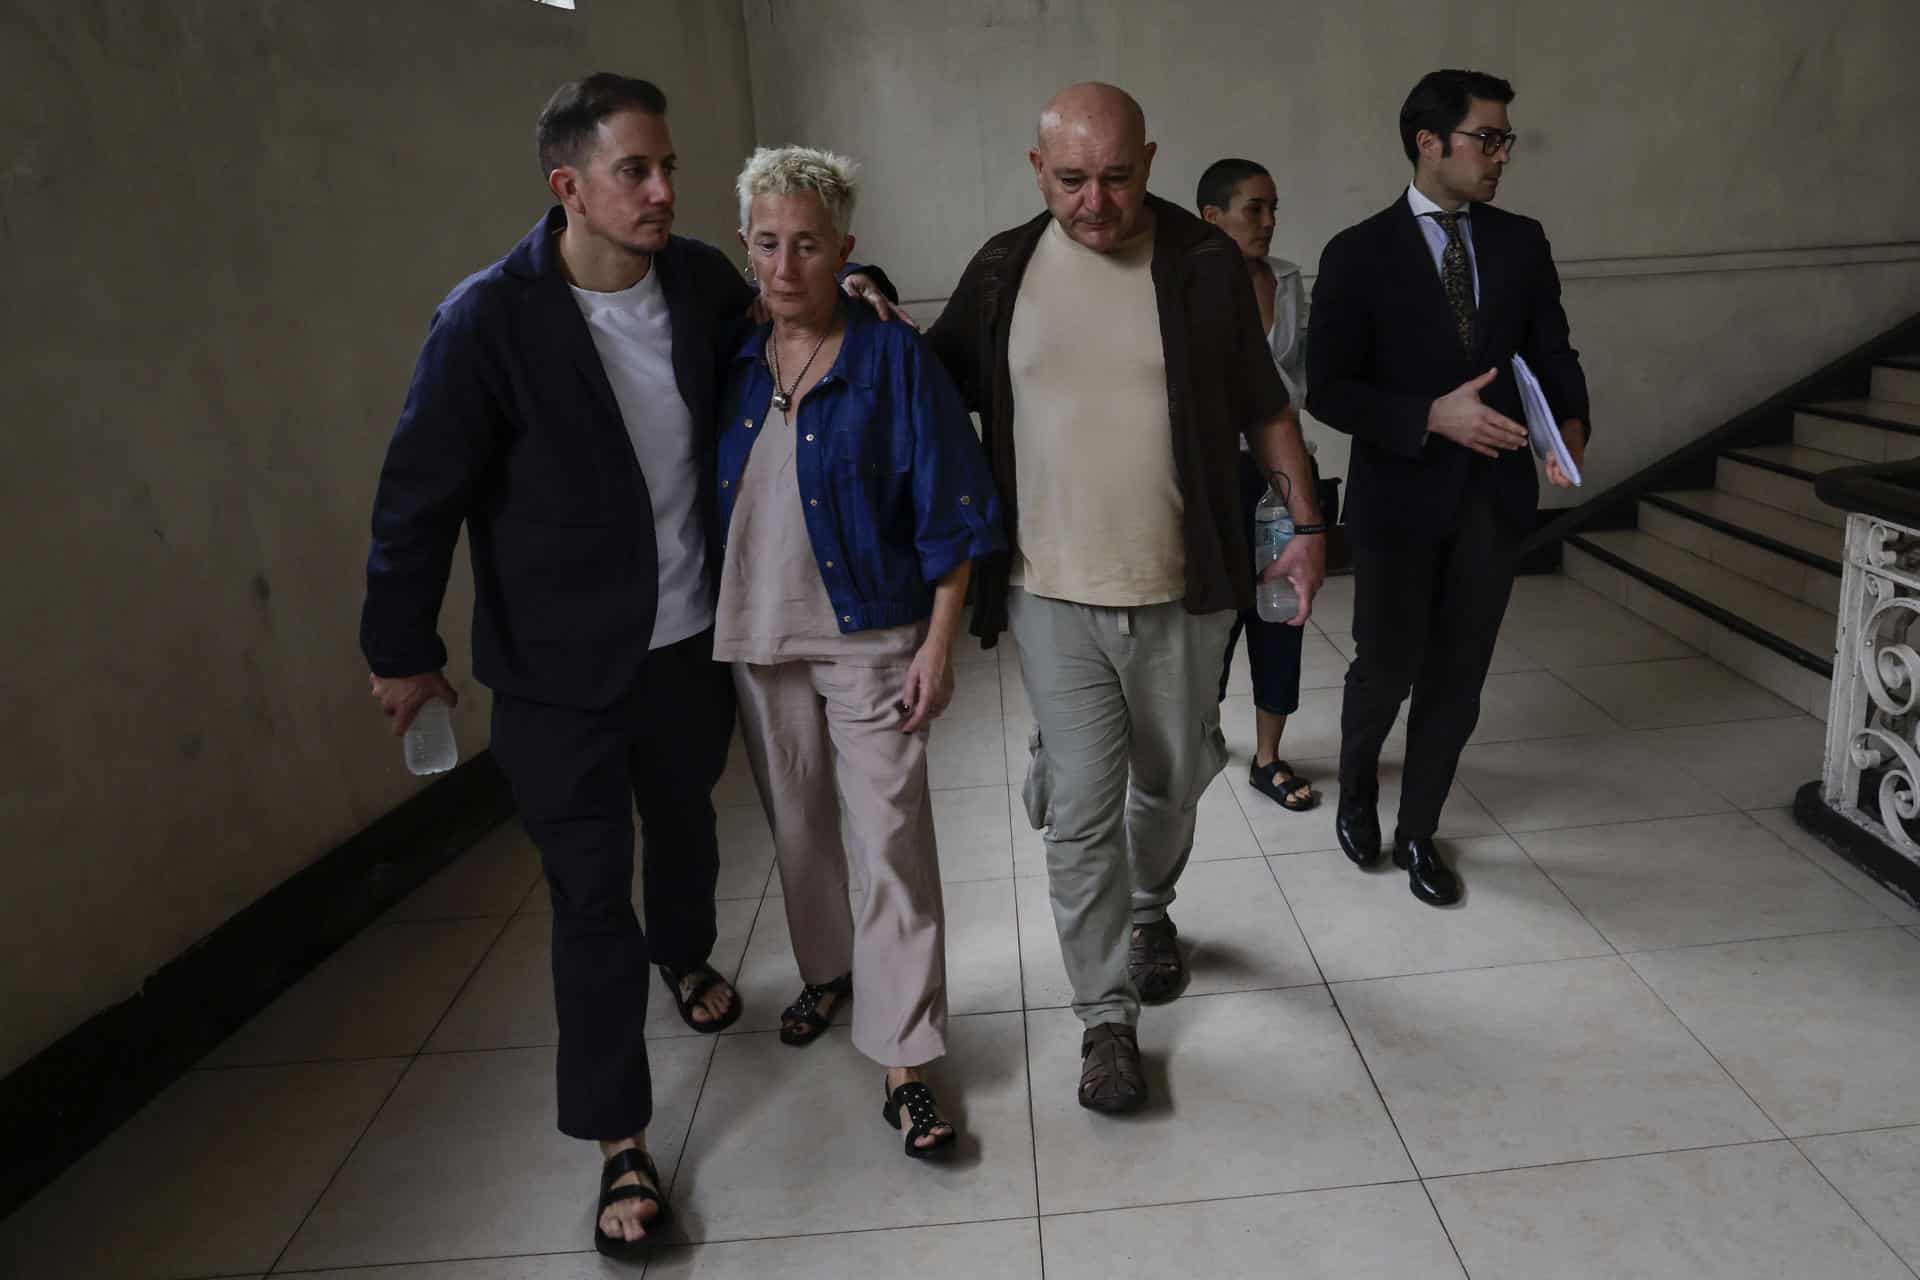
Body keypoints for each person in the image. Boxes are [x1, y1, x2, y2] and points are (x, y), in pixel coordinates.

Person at [358, 75, 900, 1260]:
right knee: (589, 892)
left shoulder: (700, 279)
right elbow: (417, 499)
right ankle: (618, 1138)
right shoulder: (488, 322)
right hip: (554, 672)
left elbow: (788, 309)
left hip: (686, 643)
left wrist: (851, 289)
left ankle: (687, 950)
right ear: (569, 188)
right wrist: (402, 652)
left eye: (666, 166)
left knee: (691, 831)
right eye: (634, 174)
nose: (664, 190)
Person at [925, 83, 1326, 1114]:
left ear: (1148, 159)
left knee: (1179, 772)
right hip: (1047, 588)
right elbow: (923, 383)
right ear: (1036, 168)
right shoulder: (1005, 269)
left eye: (1115, 177)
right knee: (1082, 815)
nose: (1094, 202)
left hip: (1185, 588)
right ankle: (1104, 1017)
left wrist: (1309, 531)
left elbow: (1268, 413)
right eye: (1070, 180)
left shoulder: (1200, 265)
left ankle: (1153, 905)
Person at [714, 145, 1004, 1159]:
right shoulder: (733, 356)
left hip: (871, 631)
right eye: (765, 243)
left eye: (806, 245)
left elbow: (955, 509)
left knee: (890, 842)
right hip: (757, 633)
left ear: (845, 248)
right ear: (745, 246)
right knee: (797, 828)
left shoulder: (891, 356)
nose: (784, 265)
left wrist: (939, 641)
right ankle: (831, 973)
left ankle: (906, 1058)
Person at [1308, 69, 1590, 907]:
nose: (1503, 154)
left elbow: (1555, 353)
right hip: (1398, 501)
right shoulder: (1357, 253)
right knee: (1386, 668)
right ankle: (1358, 784)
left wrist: (1569, 424)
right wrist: (1429, 417)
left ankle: (1419, 830)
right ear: (1429, 143)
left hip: (1494, 499)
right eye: (1488, 138)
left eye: (1506, 139)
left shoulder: (1521, 241)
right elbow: (1330, 389)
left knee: (1458, 678)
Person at [1197, 157, 1318, 813]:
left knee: (1282, 613)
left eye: (1274, 208)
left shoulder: (1289, 280)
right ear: (1211, 217)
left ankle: (1268, 756)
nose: (1269, 222)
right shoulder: (1184, 288)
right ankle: (1202, 735)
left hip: (1282, 475)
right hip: (1211, 478)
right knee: (1210, 614)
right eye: (1254, 208)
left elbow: (1302, 378)